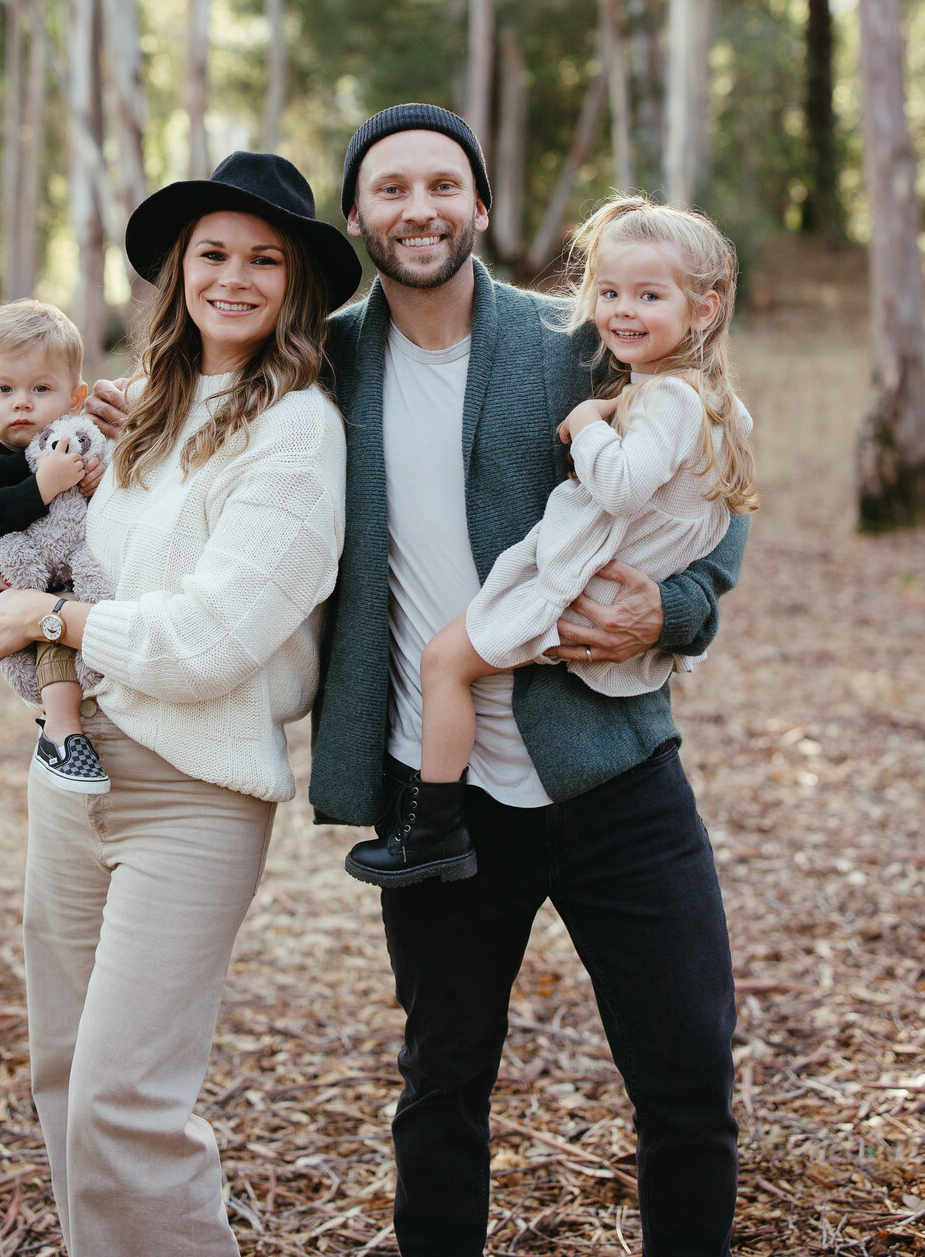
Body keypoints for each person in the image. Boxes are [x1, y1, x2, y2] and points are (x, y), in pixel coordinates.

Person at [303, 103, 748, 1257]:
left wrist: (677, 608)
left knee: (690, 1080)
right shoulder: (329, 364)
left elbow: (713, 490)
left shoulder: (582, 339)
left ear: (482, 208)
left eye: (442, 184)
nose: (419, 208)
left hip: (615, 776)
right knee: (441, 1086)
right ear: (357, 215)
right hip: (439, 800)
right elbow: (201, 419)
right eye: (389, 188)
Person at [0, 151, 362, 1257]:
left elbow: (211, 640)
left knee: (125, 1106)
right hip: (70, 774)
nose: (234, 277)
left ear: (295, 286)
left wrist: (47, 625)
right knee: (63, 1076)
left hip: (193, 792)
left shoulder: (299, 432)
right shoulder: (141, 414)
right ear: (177, 271)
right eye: (213, 254)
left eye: (263, 260)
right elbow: (56, 555)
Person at [345, 192, 758, 887]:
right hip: (578, 594)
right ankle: (442, 818)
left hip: (579, 614)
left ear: (704, 309)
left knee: (445, 661)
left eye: (649, 295)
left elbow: (641, 497)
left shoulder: (658, 393)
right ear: (356, 214)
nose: (622, 310)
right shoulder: (700, 397)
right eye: (611, 291)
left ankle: (432, 827)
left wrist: (587, 425)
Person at [0, 299, 110, 793]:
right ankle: (61, 733)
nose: (22, 402)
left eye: (41, 388)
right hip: (18, 589)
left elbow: (90, 516)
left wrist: (93, 481)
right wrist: (42, 487)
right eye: (4, 388)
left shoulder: (72, 444)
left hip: (70, 578)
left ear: (74, 398)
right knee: (51, 638)